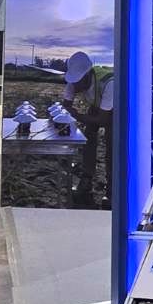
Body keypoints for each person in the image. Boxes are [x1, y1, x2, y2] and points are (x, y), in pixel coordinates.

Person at [64, 50, 114, 206]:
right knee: (88, 140)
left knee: (112, 148)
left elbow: (103, 119)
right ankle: (86, 181)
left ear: (88, 75)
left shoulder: (109, 83)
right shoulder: (74, 82)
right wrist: (67, 114)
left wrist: (78, 116)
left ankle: (112, 188)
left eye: (78, 81)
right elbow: (66, 106)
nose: (75, 85)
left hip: (116, 111)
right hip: (97, 107)